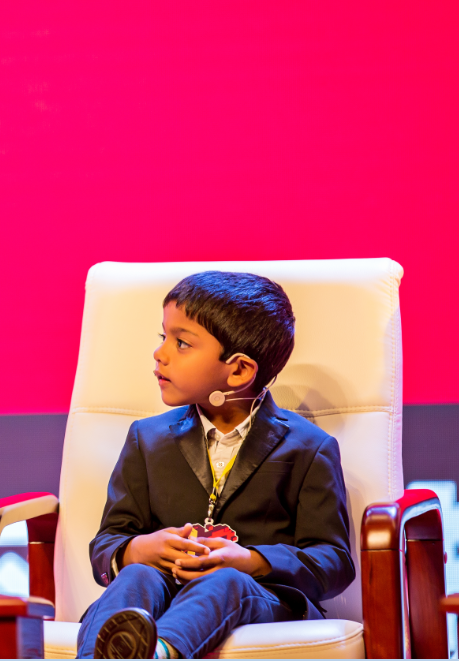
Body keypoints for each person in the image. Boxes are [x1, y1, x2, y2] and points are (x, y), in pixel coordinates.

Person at [78, 271, 354, 659]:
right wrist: (136, 550)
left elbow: (333, 560)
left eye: (181, 343)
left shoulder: (309, 447)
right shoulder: (147, 439)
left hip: (259, 598)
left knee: (226, 582)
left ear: (238, 370)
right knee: (137, 575)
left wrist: (251, 561)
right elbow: (108, 541)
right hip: (166, 591)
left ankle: (158, 653)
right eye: (163, 337)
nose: (160, 353)